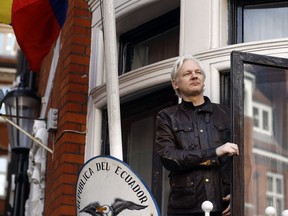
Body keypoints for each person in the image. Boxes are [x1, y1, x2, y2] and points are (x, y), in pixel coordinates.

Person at [155, 55, 239, 216]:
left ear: (203, 79)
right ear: (175, 83)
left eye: (198, 72)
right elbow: (169, 157)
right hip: (186, 208)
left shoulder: (226, 114)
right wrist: (214, 152)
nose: (194, 76)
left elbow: (243, 160)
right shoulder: (166, 116)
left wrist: (238, 194)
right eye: (187, 74)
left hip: (225, 206)